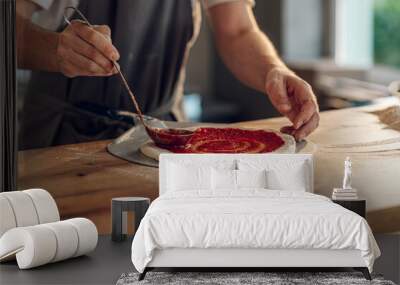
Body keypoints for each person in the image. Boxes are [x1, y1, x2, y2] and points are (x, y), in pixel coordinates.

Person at [16, 0, 319, 149]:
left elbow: (238, 31)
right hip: (62, 142)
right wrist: (56, 49)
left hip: (165, 141)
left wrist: (274, 70)